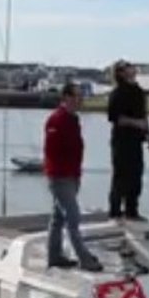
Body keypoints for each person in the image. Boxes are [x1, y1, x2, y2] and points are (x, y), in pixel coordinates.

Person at [44, 82, 103, 272]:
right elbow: (51, 151)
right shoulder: (56, 119)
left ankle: (54, 256)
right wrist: (60, 173)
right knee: (73, 217)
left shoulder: (73, 119)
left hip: (73, 175)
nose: (80, 100)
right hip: (60, 176)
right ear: (66, 97)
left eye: (81, 96)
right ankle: (84, 258)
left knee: (58, 218)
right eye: (77, 96)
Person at [106, 60, 149, 221]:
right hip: (121, 141)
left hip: (136, 141)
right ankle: (114, 211)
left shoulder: (138, 91)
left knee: (136, 176)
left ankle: (132, 211)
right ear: (120, 72)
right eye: (128, 67)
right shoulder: (118, 93)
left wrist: (148, 134)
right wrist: (136, 123)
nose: (132, 68)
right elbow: (115, 118)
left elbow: (143, 115)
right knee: (121, 177)